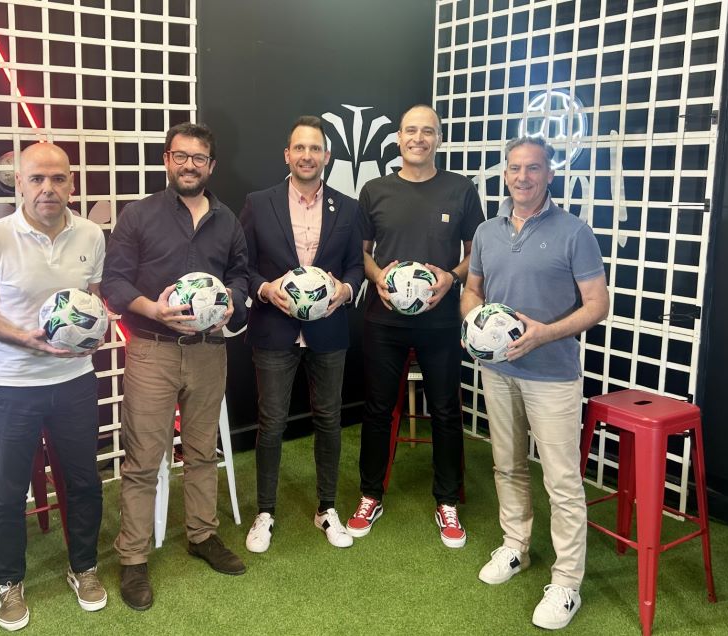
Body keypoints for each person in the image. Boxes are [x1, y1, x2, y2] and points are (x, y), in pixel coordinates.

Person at [0, 142, 107, 631]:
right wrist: (22, 338)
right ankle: (9, 582)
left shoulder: (90, 234)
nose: (48, 188)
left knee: (85, 482)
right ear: (18, 182)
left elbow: (91, 299)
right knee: (9, 492)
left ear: (71, 184)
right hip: (14, 384)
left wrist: (97, 327)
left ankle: (84, 567)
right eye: (37, 178)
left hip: (75, 382)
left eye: (58, 178)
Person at [460, 136, 609, 630]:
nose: (522, 177)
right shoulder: (487, 231)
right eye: (515, 168)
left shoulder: (574, 232)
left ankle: (566, 583)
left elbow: (597, 304)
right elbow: (473, 290)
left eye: (533, 168)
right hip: (498, 371)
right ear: (505, 174)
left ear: (549, 174)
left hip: (552, 376)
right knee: (507, 465)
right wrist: (473, 325)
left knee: (562, 482)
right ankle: (515, 546)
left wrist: (545, 333)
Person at [101, 122, 249, 611]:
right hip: (153, 350)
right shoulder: (139, 215)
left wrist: (232, 302)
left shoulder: (228, 220)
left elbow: (240, 275)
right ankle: (133, 558)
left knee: (203, 453)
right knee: (145, 460)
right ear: (167, 159)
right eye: (180, 156)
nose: (189, 165)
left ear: (211, 165)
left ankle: (202, 535)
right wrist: (154, 309)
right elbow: (114, 283)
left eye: (198, 158)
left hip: (209, 351)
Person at [347, 105, 483, 548]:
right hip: (383, 319)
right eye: (411, 130)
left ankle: (447, 501)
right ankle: (371, 495)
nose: (418, 138)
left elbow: (475, 254)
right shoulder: (375, 190)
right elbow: (361, 253)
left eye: (428, 131)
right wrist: (378, 278)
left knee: (445, 410)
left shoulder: (461, 190)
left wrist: (452, 277)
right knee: (377, 409)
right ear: (399, 138)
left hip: (440, 320)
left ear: (438, 139)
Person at [239, 116, 364, 553]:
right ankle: (265, 512)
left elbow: (355, 265)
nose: (307, 156)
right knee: (272, 423)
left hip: (328, 329)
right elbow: (243, 264)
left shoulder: (347, 207)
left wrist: (346, 290)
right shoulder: (259, 203)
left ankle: (326, 508)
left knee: (329, 420)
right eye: (299, 148)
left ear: (326, 156)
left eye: (315, 149)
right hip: (275, 329)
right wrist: (264, 289)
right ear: (287, 155)